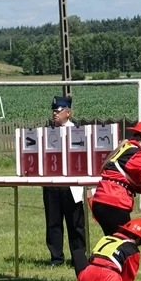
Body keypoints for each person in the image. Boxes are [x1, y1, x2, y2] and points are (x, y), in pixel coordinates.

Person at [90, 119, 141, 235]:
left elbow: (135, 183)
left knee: (112, 243)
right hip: (115, 203)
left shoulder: (125, 149)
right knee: (124, 245)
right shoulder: (140, 155)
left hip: (101, 201)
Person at [43, 95, 86, 267]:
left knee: (75, 223)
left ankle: (78, 257)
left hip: (71, 184)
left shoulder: (77, 132)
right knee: (53, 221)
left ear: (68, 112)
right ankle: (56, 257)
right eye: (53, 110)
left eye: (58, 110)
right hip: (52, 182)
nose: (55, 113)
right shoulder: (47, 131)